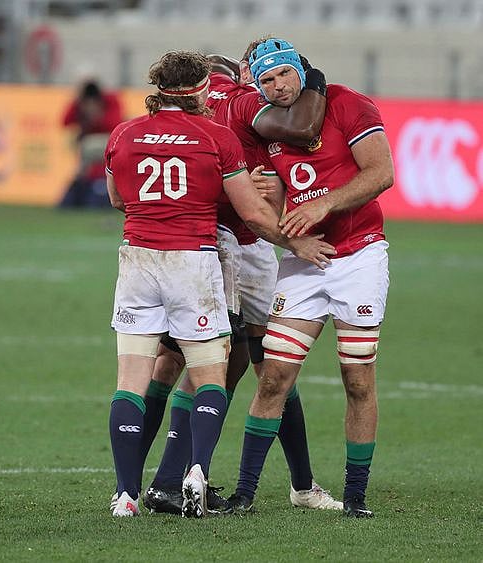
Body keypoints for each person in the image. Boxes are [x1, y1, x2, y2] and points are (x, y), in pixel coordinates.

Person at [104, 50, 336, 518]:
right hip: (220, 251)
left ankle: (130, 491)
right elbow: (297, 139)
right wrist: (295, 239)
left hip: (140, 258)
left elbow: (117, 199)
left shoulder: (124, 131)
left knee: (147, 373)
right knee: (237, 367)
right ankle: (194, 474)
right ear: (208, 87)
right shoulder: (234, 112)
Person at [227, 38, 394, 518]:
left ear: (301, 70)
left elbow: (381, 172)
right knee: (274, 375)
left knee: (358, 378)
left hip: (359, 256)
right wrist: (279, 213)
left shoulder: (349, 104)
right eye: (266, 81)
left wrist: (324, 202)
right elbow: (272, 199)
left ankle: (356, 497)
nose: (277, 87)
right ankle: (244, 494)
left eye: (283, 75)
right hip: (304, 263)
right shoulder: (261, 128)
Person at [60, 79, 123, 208]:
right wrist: (77, 102)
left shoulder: (110, 100)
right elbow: (65, 121)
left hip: (111, 142)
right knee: (83, 146)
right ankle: (82, 186)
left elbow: (114, 124)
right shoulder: (80, 103)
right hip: (91, 149)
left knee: (88, 146)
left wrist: (95, 117)